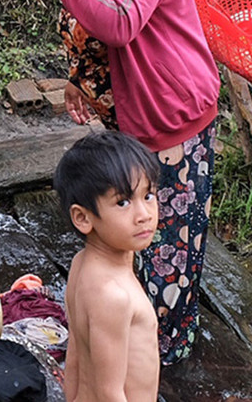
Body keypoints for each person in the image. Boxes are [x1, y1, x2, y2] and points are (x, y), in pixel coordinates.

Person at [24, 0, 220, 365]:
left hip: (170, 110)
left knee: (167, 245)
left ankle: (161, 354)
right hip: (141, 101)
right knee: (131, 233)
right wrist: (79, 78)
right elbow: (93, 18)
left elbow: (117, 22)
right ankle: (124, 338)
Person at [55, 131, 161, 402]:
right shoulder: (113, 296)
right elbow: (109, 393)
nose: (144, 215)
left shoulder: (82, 265)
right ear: (82, 217)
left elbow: (75, 354)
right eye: (123, 202)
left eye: (148, 195)